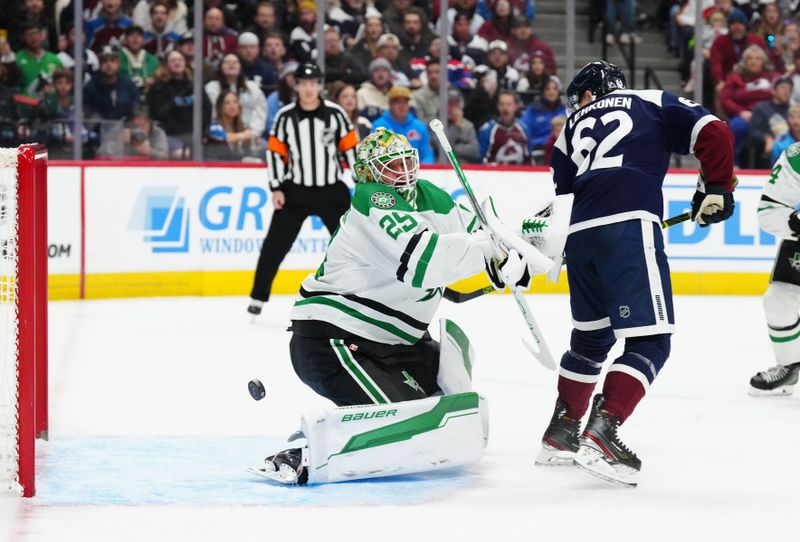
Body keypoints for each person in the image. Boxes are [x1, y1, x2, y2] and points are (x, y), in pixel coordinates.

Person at [251, 127, 549, 485]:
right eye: (390, 167)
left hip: (399, 343)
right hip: (334, 341)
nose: (403, 173)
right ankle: (303, 450)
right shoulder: (373, 200)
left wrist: (518, 247)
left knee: (444, 412)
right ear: (368, 173)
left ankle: (354, 428)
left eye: (407, 162)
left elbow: (478, 237)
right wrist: (491, 254)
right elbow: (429, 263)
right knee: (405, 425)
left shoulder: (430, 196)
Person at [538, 60, 736, 487]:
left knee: (591, 339)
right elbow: (715, 131)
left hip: (580, 235)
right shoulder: (651, 100)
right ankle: (604, 429)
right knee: (652, 340)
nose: (579, 104)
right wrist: (716, 186)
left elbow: (563, 193)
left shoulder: (568, 128)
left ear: (592, 91)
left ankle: (561, 432)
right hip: (629, 226)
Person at [248, 63, 358, 316]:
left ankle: (359, 294)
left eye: (313, 83)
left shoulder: (336, 114)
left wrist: (360, 182)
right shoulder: (285, 116)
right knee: (274, 246)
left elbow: (351, 149)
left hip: (331, 190)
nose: (308, 89)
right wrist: (276, 188)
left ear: (320, 86)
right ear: (296, 86)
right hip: (295, 191)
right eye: (303, 84)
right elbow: (275, 153)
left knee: (352, 244)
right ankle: (258, 297)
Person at [749, 141, 800, 396]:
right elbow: (768, 210)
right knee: (778, 301)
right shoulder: (796, 157)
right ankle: (788, 366)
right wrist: (794, 221)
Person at [372, 85, 435, 164]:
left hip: (416, 170)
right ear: (390, 104)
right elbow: (374, 155)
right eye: (397, 102)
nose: (401, 106)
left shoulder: (419, 127)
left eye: (405, 102)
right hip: (388, 171)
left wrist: (423, 169)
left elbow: (427, 154)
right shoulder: (379, 126)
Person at [746, 77, 791, 169]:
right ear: (773, 91)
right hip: (765, 149)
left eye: (789, 89)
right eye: (783, 88)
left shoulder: (791, 110)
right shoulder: (762, 107)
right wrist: (767, 138)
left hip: (789, 147)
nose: (786, 92)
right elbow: (753, 131)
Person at [478, 89, 530, 164]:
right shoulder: (487, 130)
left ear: (515, 106)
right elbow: (482, 160)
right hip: (494, 173)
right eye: (502, 104)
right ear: (498, 106)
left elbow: (528, 160)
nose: (505, 108)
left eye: (509, 104)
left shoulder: (524, 129)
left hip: (519, 173)